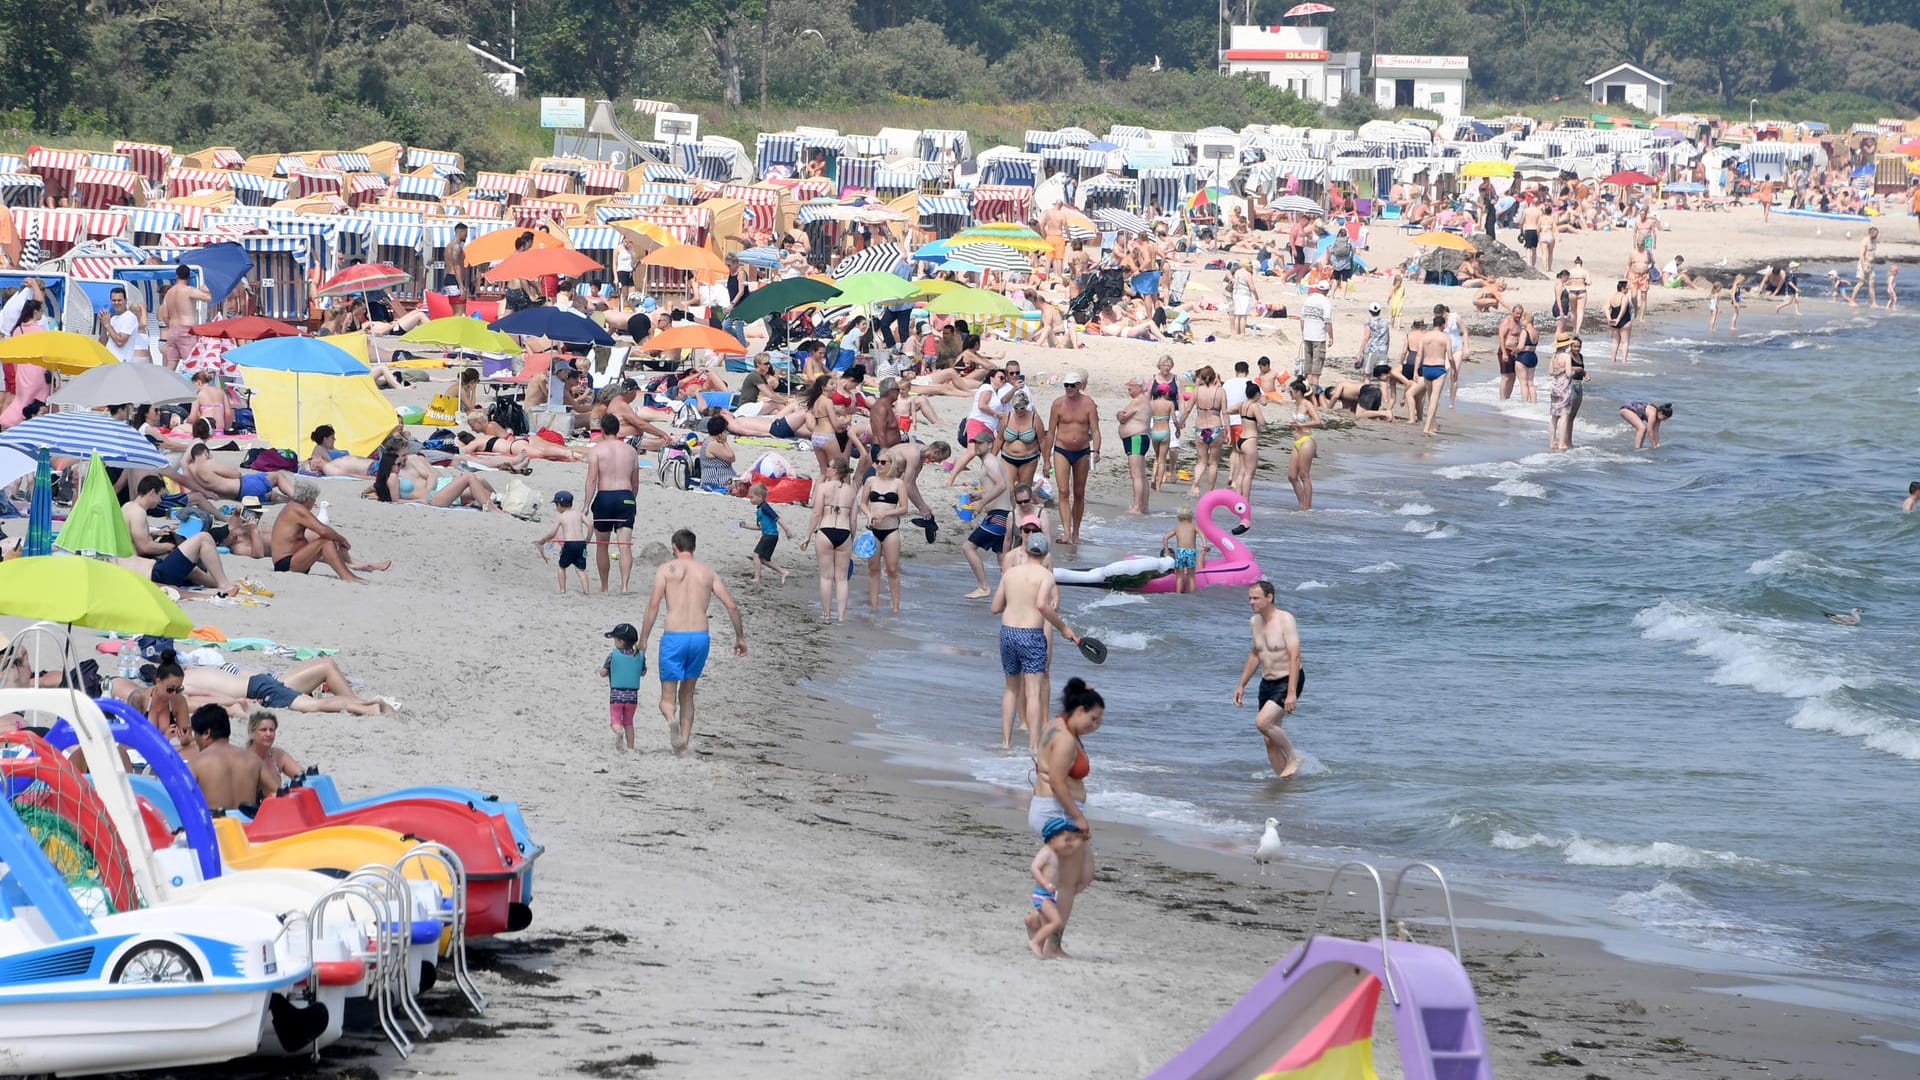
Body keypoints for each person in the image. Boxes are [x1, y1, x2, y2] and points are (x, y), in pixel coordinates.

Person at [636, 529, 746, 754]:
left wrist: (643, 639)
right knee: (687, 694)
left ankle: (670, 720)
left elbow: (653, 606)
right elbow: (732, 606)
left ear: (674, 547)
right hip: (699, 637)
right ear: (693, 548)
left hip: (674, 636)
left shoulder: (666, 570)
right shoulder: (708, 573)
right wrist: (740, 637)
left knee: (667, 699)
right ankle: (683, 742)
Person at [1028, 677, 1104, 956]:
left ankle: (1038, 920)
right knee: (1069, 884)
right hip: (1057, 812)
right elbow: (1059, 782)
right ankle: (1052, 946)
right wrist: (1078, 818)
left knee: (1083, 876)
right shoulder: (1065, 740)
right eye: (1093, 718)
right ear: (1079, 710)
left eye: (1099, 720)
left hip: (1051, 808)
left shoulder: (1057, 723)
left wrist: (1082, 692)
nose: (1096, 725)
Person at [993, 532, 1083, 754]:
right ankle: (1033, 745)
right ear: (1044, 555)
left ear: (1025, 550)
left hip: (1007, 633)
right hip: (1031, 635)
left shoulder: (1009, 574)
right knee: (1033, 692)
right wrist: (1063, 628)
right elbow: (1043, 605)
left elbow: (995, 607)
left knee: (1011, 689)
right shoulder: (1045, 576)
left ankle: (1006, 742)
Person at [1232, 581, 1305, 778]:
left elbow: (1294, 656)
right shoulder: (1254, 622)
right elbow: (1256, 654)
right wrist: (1241, 684)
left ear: (1269, 597)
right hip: (1267, 682)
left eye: (1255, 598)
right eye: (1250, 598)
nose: (1251, 602)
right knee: (1269, 740)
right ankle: (1285, 785)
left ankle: (1293, 756)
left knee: (1263, 723)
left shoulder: (1285, 620)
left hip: (1288, 679)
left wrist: (1291, 693)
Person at [271, 478, 387, 581]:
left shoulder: (293, 507)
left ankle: (352, 569)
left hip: (292, 560)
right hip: (285, 564)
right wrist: (343, 541)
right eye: (313, 499)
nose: (314, 503)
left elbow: (322, 529)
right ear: (307, 499)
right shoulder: (297, 509)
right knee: (325, 541)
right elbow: (323, 531)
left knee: (326, 540)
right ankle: (347, 576)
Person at [183, 659, 394, 715]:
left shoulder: (184, 684)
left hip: (260, 689)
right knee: (315, 699)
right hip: (259, 683)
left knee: (313, 706)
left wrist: (238, 701)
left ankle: (369, 707)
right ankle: (360, 703)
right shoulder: (194, 672)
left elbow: (207, 696)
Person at [187, 705, 280, 813]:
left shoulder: (197, 763)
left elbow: (181, 800)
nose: (195, 740)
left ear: (207, 733)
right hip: (247, 826)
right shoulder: (253, 759)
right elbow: (277, 793)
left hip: (217, 826)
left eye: (196, 734)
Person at [584, 414, 640, 593]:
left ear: (602, 430)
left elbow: (592, 480)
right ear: (618, 430)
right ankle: (624, 586)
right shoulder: (631, 451)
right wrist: (632, 500)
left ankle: (605, 586)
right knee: (625, 545)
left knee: (602, 545)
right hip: (626, 496)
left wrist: (586, 505)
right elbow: (635, 482)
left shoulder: (597, 450)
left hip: (605, 497)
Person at [1046, 371, 1099, 546]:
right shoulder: (1058, 404)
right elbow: (1051, 432)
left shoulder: (1089, 404)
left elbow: (1096, 430)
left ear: (1079, 386)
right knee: (1063, 491)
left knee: (1079, 492)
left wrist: (1096, 450)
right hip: (1061, 449)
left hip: (1082, 451)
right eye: (1066, 385)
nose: (1069, 388)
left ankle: (1076, 532)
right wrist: (1046, 459)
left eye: (1072, 385)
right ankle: (1066, 533)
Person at [803, 458, 858, 620]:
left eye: (829, 467)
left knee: (826, 576)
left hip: (826, 531)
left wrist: (807, 535)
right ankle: (841, 616)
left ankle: (826, 614)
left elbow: (816, 513)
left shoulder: (823, 488)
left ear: (835, 470)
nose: (826, 469)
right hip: (844, 532)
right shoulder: (851, 491)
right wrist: (851, 539)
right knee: (841, 579)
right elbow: (853, 520)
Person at [959, 436, 1013, 599]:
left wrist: (982, 502)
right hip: (1004, 515)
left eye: (980, 443)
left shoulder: (990, 462)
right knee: (1002, 557)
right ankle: (1012, 592)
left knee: (968, 547)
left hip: (998, 516)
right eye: (974, 442)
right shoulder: (992, 461)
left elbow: (1002, 485)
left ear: (990, 444)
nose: (976, 446)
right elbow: (1000, 487)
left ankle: (983, 587)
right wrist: (980, 494)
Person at [1025, 817, 1086, 959]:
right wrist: (1045, 883)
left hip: (1049, 895)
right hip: (1042, 895)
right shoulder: (1046, 852)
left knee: (1046, 923)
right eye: (1066, 840)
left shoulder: (1054, 852)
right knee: (1055, 921)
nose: (1068, 844)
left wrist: (1080, 838)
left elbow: (1071, 848)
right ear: (1053, 838)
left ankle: (1039, 950)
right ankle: (1035, 941)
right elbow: (1034, 868)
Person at [858, 452, 910, 613]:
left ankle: (896, 607)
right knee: (873, 569)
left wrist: (886, 513)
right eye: (877, 462)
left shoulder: (898, 483)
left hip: (891, 529)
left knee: (892, 569)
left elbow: (904, 508)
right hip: (873, 530)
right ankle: (874, 606)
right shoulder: (870, 481)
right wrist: (869, 514)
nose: (879, 465)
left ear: (890, 464)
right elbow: (863, 503)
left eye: (883, 462)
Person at [181, 443, 299, 504]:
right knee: (278, 476)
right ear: (205, 453)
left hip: (237, 496)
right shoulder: (208, 464)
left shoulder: (192, 471)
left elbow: (184, 463)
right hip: (243, 486)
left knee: (270, 494)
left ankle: (289, 501)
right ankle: (299, 498)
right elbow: (236, 474)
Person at [1179, 365, 1226, 498]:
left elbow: (1187, 410)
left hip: (1200, 428)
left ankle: (1195, 483)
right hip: (1215, 428)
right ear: (1213, 377)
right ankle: (1210, 492)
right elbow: (1225, 412)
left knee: (1201, 461)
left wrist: (1179, 425)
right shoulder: (1220, 391)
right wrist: (1227, 429)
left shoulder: (1197, 391)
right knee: (1213, 463)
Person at [601, 622, 646, 752]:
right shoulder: (639, 656)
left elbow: (603, 673)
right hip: (632, 697)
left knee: (615, 720)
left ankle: (618, 732)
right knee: (629, 723)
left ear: (620, 642)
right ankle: (631, 748)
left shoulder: (613, 655)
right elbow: (643, 672)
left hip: (616, 695)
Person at [536, 490, 591, 594]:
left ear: (560, 505)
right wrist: (587, 539)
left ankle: (562, 590)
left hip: (569, 544)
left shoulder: (561, 517)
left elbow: (552, 533)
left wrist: (543, 541)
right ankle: (586, 592)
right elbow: (590, 525)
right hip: (581, 544)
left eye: (556, 505)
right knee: (581, 570)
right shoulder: (579, 514)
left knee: (561, 567)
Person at [160, 265, 210, 370]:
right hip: (186, 330)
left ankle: (166, 385)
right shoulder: (188, 290)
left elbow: (164, 315)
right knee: (192, 364)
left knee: (170, 366)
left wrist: (172, 326)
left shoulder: (169, 293)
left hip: (172, 330)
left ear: (176, 276)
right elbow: (207, 298)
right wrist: (205, 289)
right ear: (188, 277)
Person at [1285, 378, 1323, 510]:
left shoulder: (1307, 404)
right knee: (1291, 476)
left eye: (1291, 391)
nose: (1290, 394)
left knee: (1304, 475)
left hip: (1307, 440)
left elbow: (1318, 421)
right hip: (1297, 441)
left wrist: (1302, 424)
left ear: (1298, 392)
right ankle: (1302, 503)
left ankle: (1307, 506)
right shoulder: (1296, 405)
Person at [1158, 507, 1213, 594]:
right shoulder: (1194, 526)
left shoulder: (1177, 528)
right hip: (1191, 552)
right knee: (1191, 576)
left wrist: (1166, 550)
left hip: (1180, 552)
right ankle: (1191, 593)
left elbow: (1165, 537)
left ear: (1179, 518)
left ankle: (1178, 593)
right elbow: (1202, 534)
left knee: (1179, 576)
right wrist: (1204, 544)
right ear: (1191, 517)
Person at [746, 482, 792, 584]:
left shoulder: (765, 507)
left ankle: (757, 577)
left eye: (752, 497)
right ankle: (783, 572)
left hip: (770, 536)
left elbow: (777, 518)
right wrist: (745, 525)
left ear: (759, 497)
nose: (750, 499)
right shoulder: (759, 509)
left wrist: (787, 530)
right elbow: (759, 527)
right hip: (768, 535)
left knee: (756, 555)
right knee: (763, 559)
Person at [246, 712, 302, 787]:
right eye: (263, 730)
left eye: (271, 730)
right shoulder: (245, 759)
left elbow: (303, 776)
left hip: (276, 797)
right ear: (252, 733)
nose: (268, 734)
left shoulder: (277, 755)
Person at [1297, 280, 1333, 387]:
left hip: (1307, 335)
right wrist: (1331, 336)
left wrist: (1303, 333)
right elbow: (1327, 321)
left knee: (1308, 365)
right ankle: (1314, 389)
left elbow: (1302, 319)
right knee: (1316, 367)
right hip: (1318, 337)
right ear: (1326, 291)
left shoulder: (1308, 299)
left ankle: (1308, 387)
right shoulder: (1325, 302)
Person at [98, 285, 141, 363]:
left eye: (119, 300)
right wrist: (104, 325)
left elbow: (120, 342)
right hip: (108, 362)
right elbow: (102, 344)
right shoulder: (112, 319)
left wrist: (107, 325)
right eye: (114, 300)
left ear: (126, 301)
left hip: (122, 363)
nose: (116, 303)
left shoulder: (130, 317)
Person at [1849, 227, 1880, 307]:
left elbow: (1872, 252)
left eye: (1877, 234)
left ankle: (1873, 303)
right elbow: (1861, 255)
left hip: (1871, 264)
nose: (1876, 235)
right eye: (1875, 234)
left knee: (1872, 284)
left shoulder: (1874, 241)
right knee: (1861, 283)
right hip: (1864, 263)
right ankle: (1852, 300)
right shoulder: (1865, 241)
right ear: (1870, 233)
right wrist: (1864, 267)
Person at [1606, 279, 1634, 365]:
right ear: (1623, 288)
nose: (1628, 289)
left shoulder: (1611, 297)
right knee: (1625, 342)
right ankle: (1624, 361)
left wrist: (1609, 319)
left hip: (1613, 320)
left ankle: (1613, 360)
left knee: (1615, 341)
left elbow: (1606, 309)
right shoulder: (1624, 297)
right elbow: (1623, 309)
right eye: (1627, 288)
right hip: (1624, 320)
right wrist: (1618, 320)